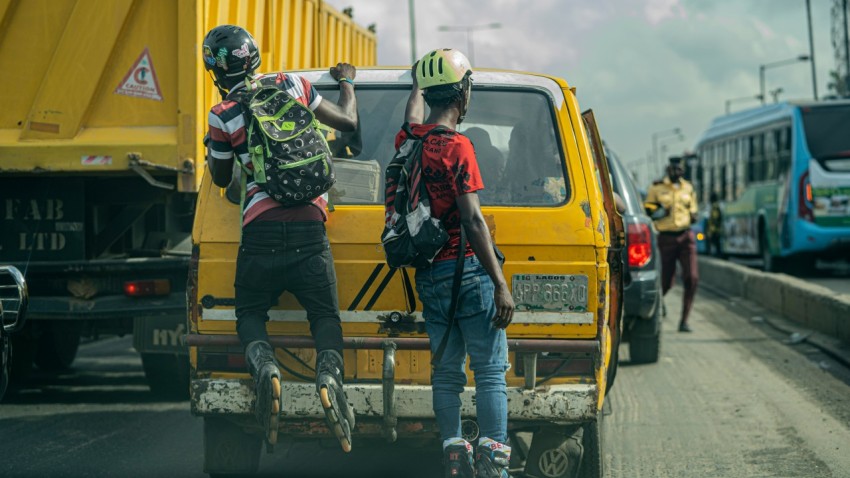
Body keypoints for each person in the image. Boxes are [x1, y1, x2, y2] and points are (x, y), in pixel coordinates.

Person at [202, 25, 358, 452]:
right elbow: (348, 122)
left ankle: (266, 365)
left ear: (214, 70)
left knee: (250, 312)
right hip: (311, 225)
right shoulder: (291, 83)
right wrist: (345, 81)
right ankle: (329, 375)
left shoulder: (222, 113)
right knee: (324, 318)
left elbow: (220, 179)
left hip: (260, 232)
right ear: (252, 57)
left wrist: (221, 148)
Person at [399, 49, 515, 478]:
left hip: (429, 274)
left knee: (446, 373)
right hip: (467, 272)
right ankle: (493, 463)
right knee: (489, 371)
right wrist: (499, 281)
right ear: (463, 94)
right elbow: (473, 218)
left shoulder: (414, 141)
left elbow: (411, 117)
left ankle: (453, 452)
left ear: (430, 95)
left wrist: (416, 84)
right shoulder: (457, 146)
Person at [644, 156, 699, 332]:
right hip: (666, 238)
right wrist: (661, 210)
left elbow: (693, 210)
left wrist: (693, 215)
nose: (676, 172)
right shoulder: (656, 187)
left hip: (685, 237)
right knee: (666, 281)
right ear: (668, 170)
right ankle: (660, 302)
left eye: (679, 170)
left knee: (692, 278)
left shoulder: (688, 188)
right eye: (673, 169)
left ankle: (684, 320)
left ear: (682, 171)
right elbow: (648, 211)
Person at [706, 191, 723, 257]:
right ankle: (717, 254)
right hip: (715, 228)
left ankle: (716, 254)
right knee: (716, 242)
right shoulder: (717, 205)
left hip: (714, 229)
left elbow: (715, 217)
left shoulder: (715, 206)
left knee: (714, 242)